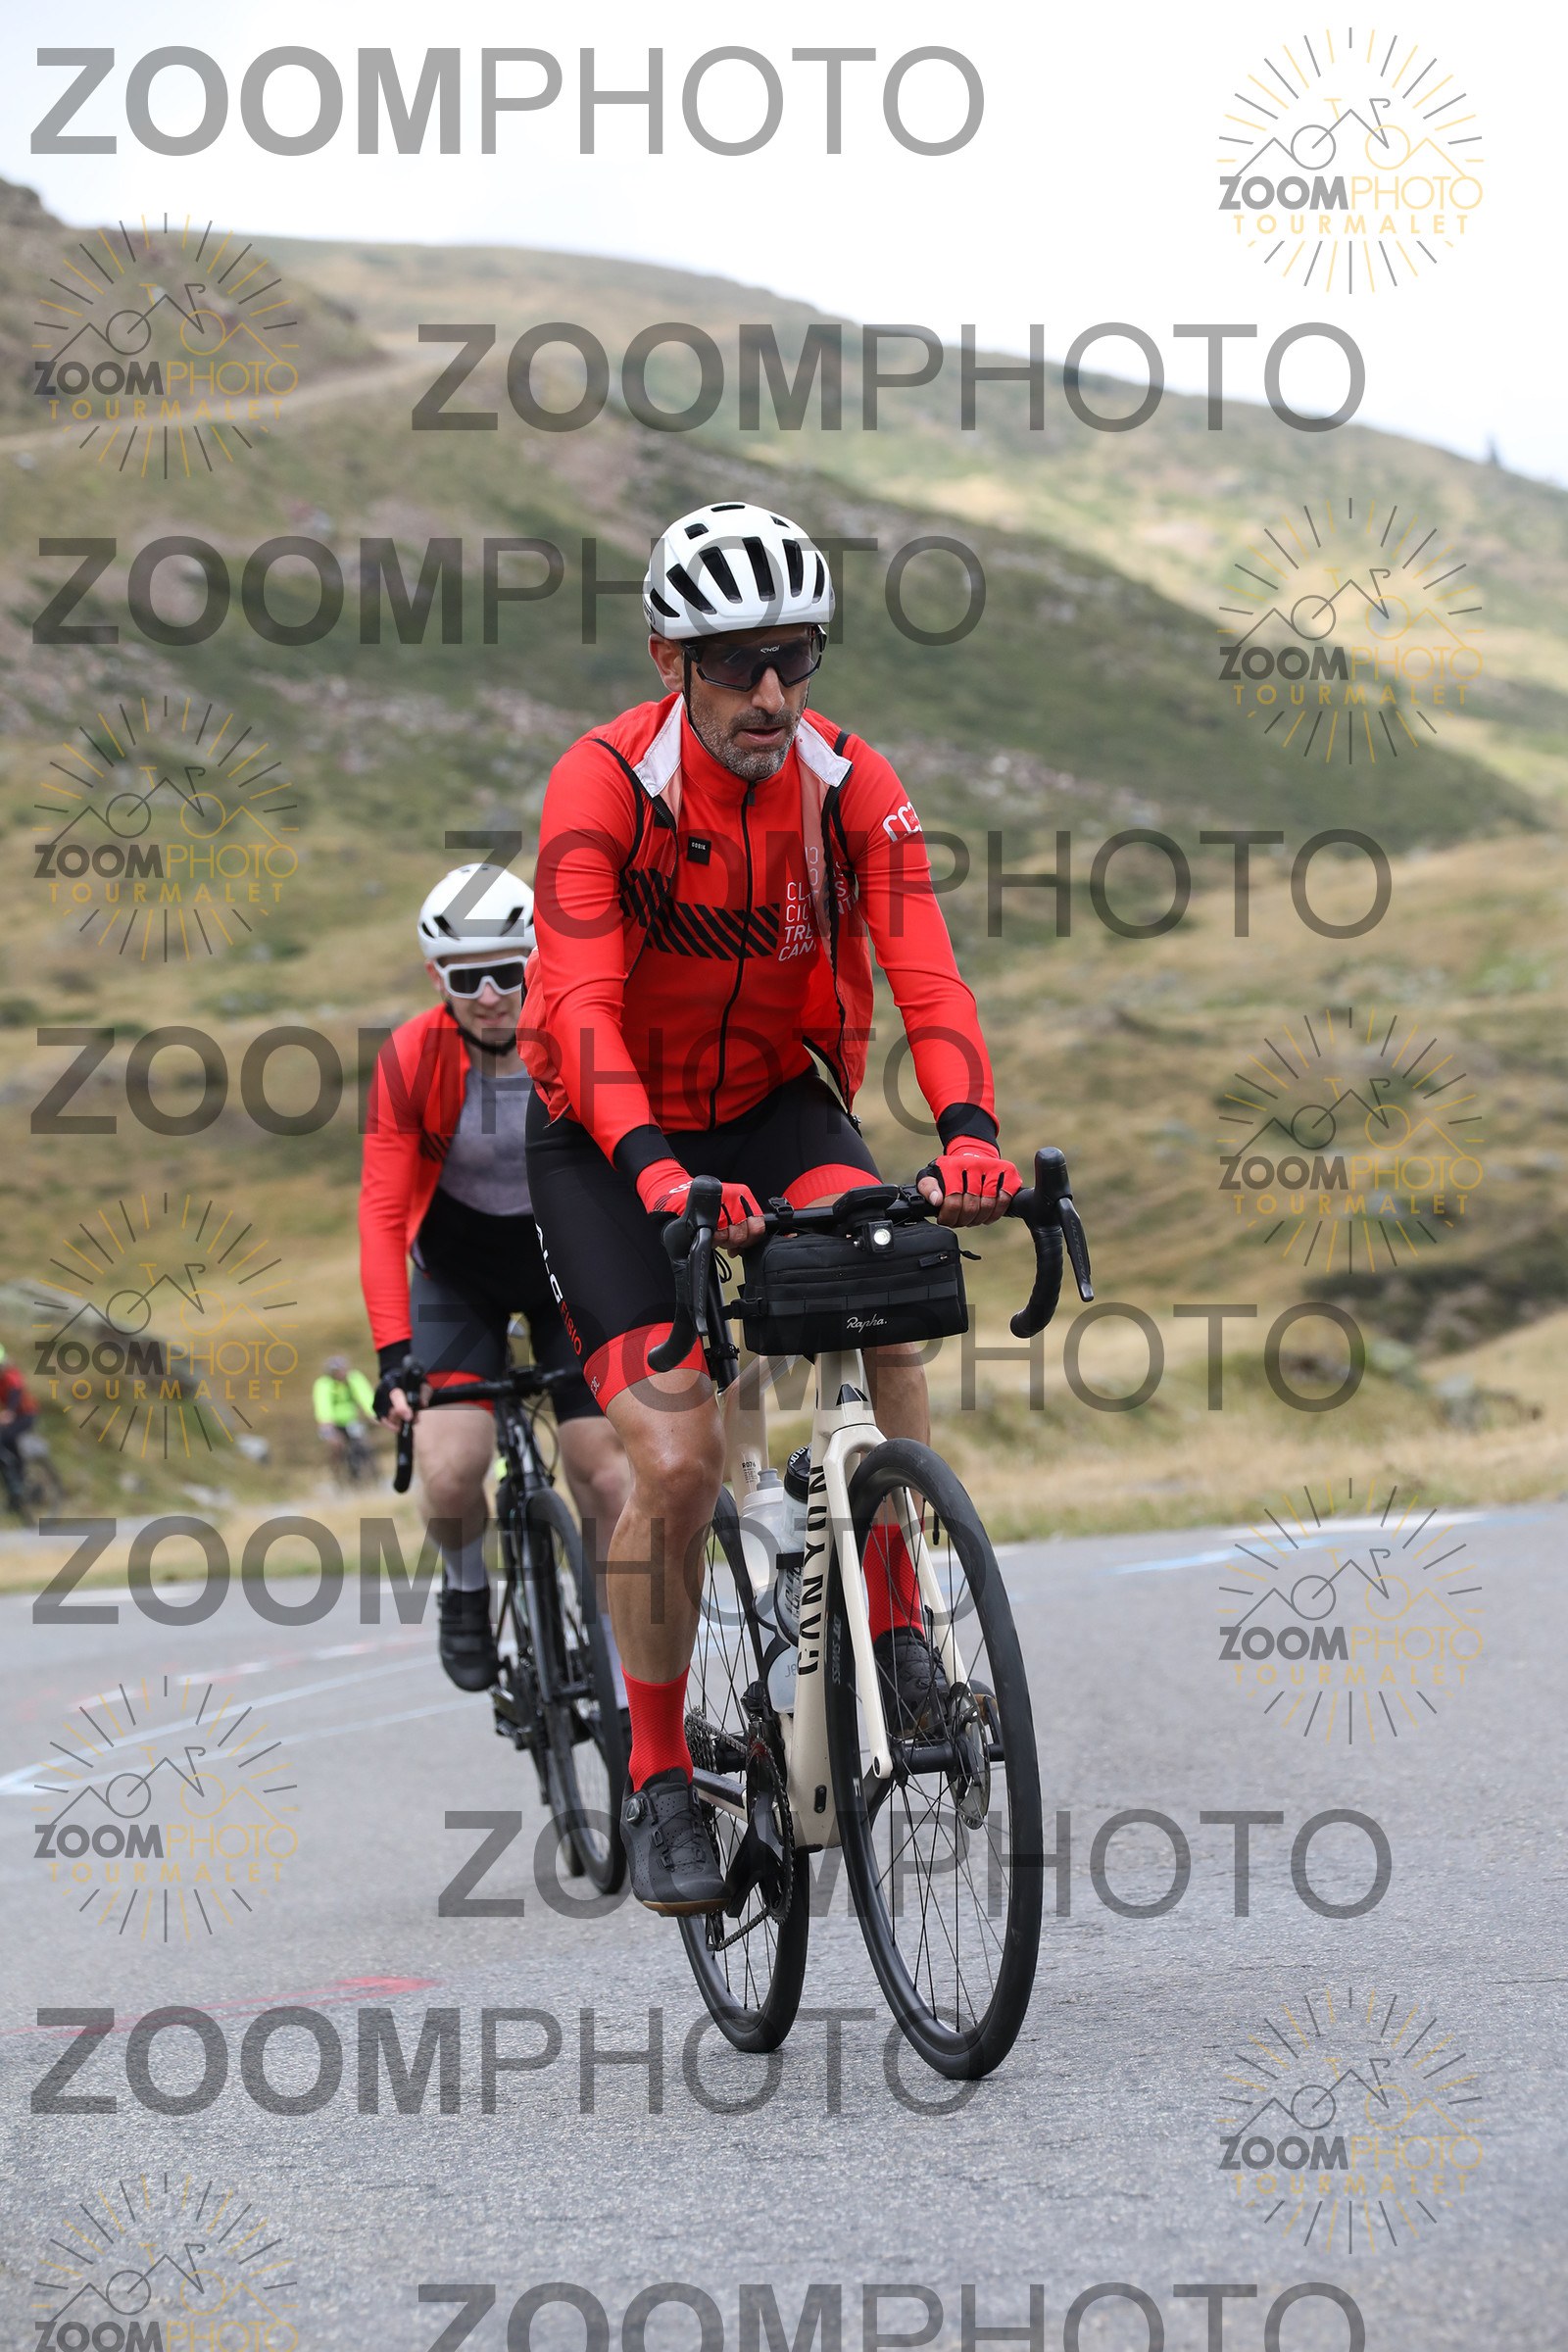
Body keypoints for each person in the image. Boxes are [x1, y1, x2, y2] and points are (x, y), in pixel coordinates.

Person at [522, 499, 1021, 1915]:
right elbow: (580, 1008)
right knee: (681, 1458)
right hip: (608, 1138)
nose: (770, 694)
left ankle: (899, 1625)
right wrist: (657, 1173)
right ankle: (658, 1773)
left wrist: (970, 1133)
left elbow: (926, 970)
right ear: (670, 660)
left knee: (893, 1281)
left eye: (794, 657)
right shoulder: (603, 786)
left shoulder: (851, 783)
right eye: (738, 662)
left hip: (773, 1102)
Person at [360, 867, 631, 1693]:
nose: (487, 996)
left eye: (507, 973)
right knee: (451, 1471)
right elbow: (381, 1210)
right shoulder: (411, 1057)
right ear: (434, 978)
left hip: (567, 1264)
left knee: (605, 1470)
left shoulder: (579, 1037)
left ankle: (621, 1657)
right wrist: (394, 1354)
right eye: (464, 977)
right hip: (461, 1275)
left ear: (535, 964)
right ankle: (467, 1589)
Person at [313, 1354, 376, 1472]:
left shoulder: (354, 1378)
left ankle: (369, 1473)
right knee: (335, 1446)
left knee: (362, 1443)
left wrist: (372, 1413)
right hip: (333, 1422)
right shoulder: (323, 1384)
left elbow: (365, 1395)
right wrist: (326, 1421)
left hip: (352, 1419)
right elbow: (323, 1403)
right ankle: (336, 1473)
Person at [0, 1346, 38, 1509]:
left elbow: (15, 1392)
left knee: (4, 1438)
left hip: (26, 1415)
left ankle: (18, 1484)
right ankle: (14, 1493)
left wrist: (9, 1412)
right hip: (13, 1418)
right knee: (7, 1448)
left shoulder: (11, 1374)